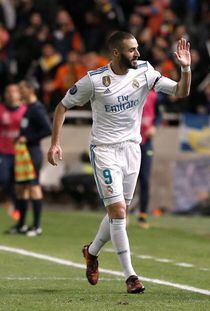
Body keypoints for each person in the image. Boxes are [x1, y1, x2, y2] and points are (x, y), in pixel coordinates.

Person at [47, 31, 191, 294]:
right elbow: (62, 106)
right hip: (104, 151)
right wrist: (56, 143)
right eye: (132, 50)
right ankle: (131, 276)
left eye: (138, 48)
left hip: (132, 150)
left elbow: (181, 92)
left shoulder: (145, 72)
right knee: (119, 212)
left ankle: (91, 252)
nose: (138, 53)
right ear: (115, 53)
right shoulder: (94, 81)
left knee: (119, 211)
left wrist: (186, 68)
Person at [13, 79, 52, 237]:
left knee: (34, 187)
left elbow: (47, 129)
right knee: (22, 188)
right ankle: (21, 225)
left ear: (30, 89)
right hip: (24, 153)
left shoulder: (37, 108)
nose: (19, 91)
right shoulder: (27, 108)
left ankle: (36, 227)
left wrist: (28, 138)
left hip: (33, 152)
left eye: (22, 88)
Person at [1, 84, 27, 233]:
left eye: (13, 92)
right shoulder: (1, 109)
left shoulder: (25, 110)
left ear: (19, 94)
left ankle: (18, 208)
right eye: (8, 92)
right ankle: (9, 201)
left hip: (20, 152)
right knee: (4, 179)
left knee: (19, 183)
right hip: (4, 151)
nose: (11, 95)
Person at [136, 90, 158, 229]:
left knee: (145, 179)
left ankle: (143, 215)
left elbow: (159, 114)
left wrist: (154, 126)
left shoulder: (154, 95)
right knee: (128, 178)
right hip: (131, 142)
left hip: (146, 143)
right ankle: (122, 213)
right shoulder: (131, 90)